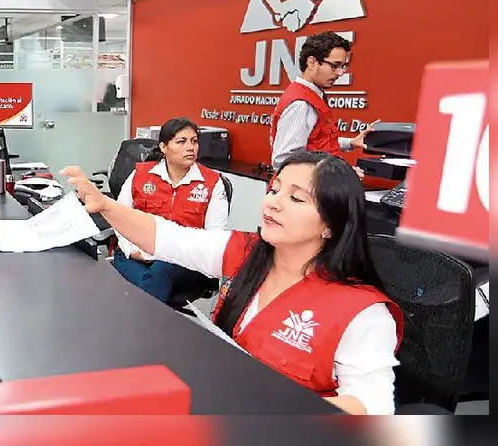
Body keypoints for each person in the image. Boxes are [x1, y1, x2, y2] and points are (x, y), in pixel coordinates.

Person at [62, 150, 403, 415]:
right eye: (275, 189)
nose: (273, 202)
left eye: (296, 198)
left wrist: (277, 408)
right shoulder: (247, 252)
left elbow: (371, 409)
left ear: (332, 224)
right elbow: (168, 238)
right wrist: (105, 205)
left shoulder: (363, 314)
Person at [112, 118, 229, 304]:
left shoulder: (212, 183)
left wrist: (178, 253)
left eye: (194, 141)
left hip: (182, 262)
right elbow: (119, 216)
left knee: (156, 276)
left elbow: (215, 236)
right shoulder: (141, 175)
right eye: (181, 142)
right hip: (135, 254)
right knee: (151, 283)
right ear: (164, 147)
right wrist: (132, 250)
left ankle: (132, 326)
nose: (190, 147)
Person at [270, 32, 377, 175]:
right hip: (301, 193)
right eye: (335, 66)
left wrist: (351, 143)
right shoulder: (301, 104)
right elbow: (284, 160)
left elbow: (316, 143)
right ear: (312, 62)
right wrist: (340, 173)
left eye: (343, 66)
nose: (340, 73)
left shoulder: (311, 95)